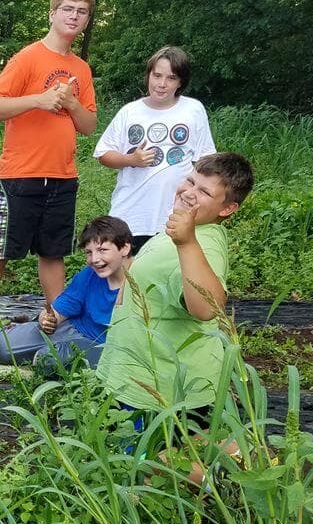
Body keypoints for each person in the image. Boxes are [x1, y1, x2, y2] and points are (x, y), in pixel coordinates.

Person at [0, 0, 98, 335]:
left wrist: (71, 104)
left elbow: (89, 125)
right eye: (68, 9)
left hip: (62, 175)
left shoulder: (81, 70)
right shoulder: (27, 58)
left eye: (81, 12)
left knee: (53, 252)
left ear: (86, 20)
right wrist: (38, 100)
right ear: (53, 13)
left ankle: (57, 319)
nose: (74, 16)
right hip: (20, 174)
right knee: (1, 249)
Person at [97, 152, 255, 416]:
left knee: (169, 454)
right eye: (190, 181)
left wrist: (187, 242)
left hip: (169, 390)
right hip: (141, 377)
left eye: (204, 191)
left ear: (227, 209)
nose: (189, 192)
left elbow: (206, 309)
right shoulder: (181, 230)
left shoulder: (203, 242)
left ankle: (242, 452)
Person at [94, 46, 216, 255]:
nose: (161, 84)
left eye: (171, 78)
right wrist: (131, 159)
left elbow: (206, 160)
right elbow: (104, 154)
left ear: (180, 82)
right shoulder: (130, 112)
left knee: (164, 277)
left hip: (173, 216)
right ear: (148, 75)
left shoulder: (193, 110)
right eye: (157, 75)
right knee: (124, 276)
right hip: (130, 213)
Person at [0, 216, 132, 373]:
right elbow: (59, 310)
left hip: (105, 345)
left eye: (102, 250)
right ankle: (39, 353)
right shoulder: (89, 275)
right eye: (89, 252)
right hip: (73, 329)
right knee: (2, 345)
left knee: (50, 359)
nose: (95, 259)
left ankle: (45, 359)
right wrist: (48, 319)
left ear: (124, 248)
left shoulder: (142, 279)